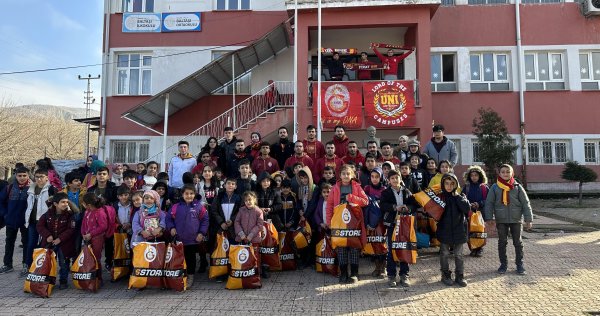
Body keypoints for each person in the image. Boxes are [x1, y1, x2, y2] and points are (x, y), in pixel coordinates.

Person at [484, 164, 533, 275]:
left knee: (518, 243)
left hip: (516, 220)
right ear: (499, 173)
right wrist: (489, 218)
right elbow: (489, 204)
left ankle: (520, 265)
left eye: (508, 172)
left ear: (512, 174)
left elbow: (525, 203)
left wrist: (528, 219)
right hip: (501, 220)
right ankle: (503, 265)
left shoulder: (517, 187)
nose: (505, 174)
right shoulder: (495, 187)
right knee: (502, 242)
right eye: (503, 172)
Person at [326, 164, 368, 284]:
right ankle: (343, 273)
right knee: (341, 247)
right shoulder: (335, 188)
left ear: (352, 175)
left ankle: (354, 273)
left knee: (354, 246)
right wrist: (329, 222)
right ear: (339, 175)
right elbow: (329, 206)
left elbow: (366, 201)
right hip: (339, 222)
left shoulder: (357, 187)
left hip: (354, 222)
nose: (346, 176)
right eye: (343, 174)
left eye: (348, 174)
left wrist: (352, 198)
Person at [167, 184, 209, 286]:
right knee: (180, 258)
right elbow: (168, 218)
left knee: (191, 258)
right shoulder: (175, 207)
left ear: (194, 194)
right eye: (186, 193)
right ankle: (181, 275)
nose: (189, 196)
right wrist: (171, 228)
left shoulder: (199, 207)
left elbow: (205, 220)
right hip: (179, 238)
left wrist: (201, 233)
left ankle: (190, 276)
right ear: (182, 194)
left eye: (191, 194)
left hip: (193, 239)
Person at [380, 170, 416, 287]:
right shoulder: (386, 192)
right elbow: (383, 205)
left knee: (404, 248)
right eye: (392, 178)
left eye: (397, 178)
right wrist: (395, 207)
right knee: (391, 250)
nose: (395, 180)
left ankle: (404, 275)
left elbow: (414, 204)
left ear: (401, 179)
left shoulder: (406, 191)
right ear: (389, 180)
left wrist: (407, 208)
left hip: (404, 226)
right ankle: (391, 276)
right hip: (392, 225)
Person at [436, 173, 471, 287]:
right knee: (444, 254)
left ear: (456, 184)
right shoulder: (440, 197)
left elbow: (466, 209)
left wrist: (458, 197)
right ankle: (445, 274)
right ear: (443, 184)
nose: (449, 186)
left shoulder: (461, 196)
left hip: (459, 230)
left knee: (459, 254)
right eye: (446, 183)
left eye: (452, 184)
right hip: (444, 230)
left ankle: (459, 275)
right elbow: (434, 213)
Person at [36, 192, 77, 290]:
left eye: (66, 202)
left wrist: (60, 238)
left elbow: (71, 229)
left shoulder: (70, 215)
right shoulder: (47, 214)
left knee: (64, 263)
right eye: (62, 202)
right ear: (55, 204)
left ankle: (63, 281)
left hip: (64, 244)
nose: (65, 204)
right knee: (48, 262)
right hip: (49, 244)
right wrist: (47, 235)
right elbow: (40, 226)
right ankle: (48, 280)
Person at [24, 169, 57, 271]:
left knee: (46, 244)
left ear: (47, 177)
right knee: (31, 243)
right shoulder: (30, 189)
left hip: (46, 222)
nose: (39, 179)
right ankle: (29, 265)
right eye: (37, 177)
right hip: (33, 221)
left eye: (41, 176)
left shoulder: (51, 189)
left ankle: (46, 266)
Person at [0, 167, 31, 275]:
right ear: (16, 176)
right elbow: (1, 202)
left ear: (28, 175)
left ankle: (26, 264)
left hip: (26, 221)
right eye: (19, 175)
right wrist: (5, 214)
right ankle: (7, 264)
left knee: (26, 242)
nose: (22, 178)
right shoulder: (9, 188)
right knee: (9, 242)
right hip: (11, 220)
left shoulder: (32, 188)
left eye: (24, 175)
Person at [234, 191, 265, 277]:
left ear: (254, 200)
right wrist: (241, 234)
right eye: (246, 200)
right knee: (243, 256)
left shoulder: (258, 211)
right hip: (242, 238)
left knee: (255, 256)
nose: (248, 202)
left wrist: (250, 235)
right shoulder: (241, 210)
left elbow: (259, 225)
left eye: (250, 199)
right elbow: (237, 222)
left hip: (254, 239)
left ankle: (256, 274)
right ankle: (244, 274)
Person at [80, 193, 109, 285]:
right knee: (87, 257)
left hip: (97, 238)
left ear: (88, 204)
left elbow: (103, 226)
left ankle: (98, 278)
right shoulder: (87, 211)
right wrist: (83, 233)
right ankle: (90, 277)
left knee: (96, 258)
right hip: (87, 238)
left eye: (83, 203)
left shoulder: (99, 212)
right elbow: (84, 223)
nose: (82, 205)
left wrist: (91, 234)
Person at [363, 167, 387, 278]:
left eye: (377, 177)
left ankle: (383, 268)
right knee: (373, 244)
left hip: (382, 222)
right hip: (370, 223)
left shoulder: (384, 189)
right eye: (372, 177)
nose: (374, 179)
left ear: (381, 177)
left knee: (382, 244)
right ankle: (377, 267)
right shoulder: (367, 188)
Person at [463, 165, 489, 257]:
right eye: (472, 175)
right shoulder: (466, 187)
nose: (474, 177)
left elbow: (488, 199)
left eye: (476, 175)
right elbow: (462, 198)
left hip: (480, 212)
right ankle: (473, 248)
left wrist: (479, 203)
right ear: (469, 176)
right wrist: (469, 204)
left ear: (480, 176)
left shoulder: (484, 187)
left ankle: (480, 248)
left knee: (480, 231)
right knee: (470, 231)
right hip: (469, 212)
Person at [211, 178, 241, 244]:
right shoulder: (219, 197)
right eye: (228, 183)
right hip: (220, 227)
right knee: (220, 248)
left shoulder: (239, 198)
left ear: (235, 187)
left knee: (232, 247)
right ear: (224, 185)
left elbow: (240, 211)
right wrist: (221, 222)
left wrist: (232, 220)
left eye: (233, 184)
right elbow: (214, 211)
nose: (230, 185)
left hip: (233, 228)